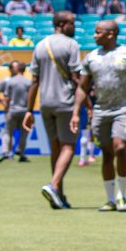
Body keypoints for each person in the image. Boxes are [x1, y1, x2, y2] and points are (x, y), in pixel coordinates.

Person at [72, 18, 126, 211]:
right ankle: (110, 199)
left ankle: (122, 196)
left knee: (120, 147)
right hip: (101, 110)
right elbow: (82, 87)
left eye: (98, 32)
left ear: (111, 34)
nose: (94, 35)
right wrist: (76, 112)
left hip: (124, 108)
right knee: (107, 153)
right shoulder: (91, 57)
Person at [25, 11, 82, 208]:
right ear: (62, 24)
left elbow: (34, 81)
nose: (74, 27)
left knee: (55, 148)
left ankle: (59, 195)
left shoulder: (40, 45)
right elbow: (76, 78)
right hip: (65, 102)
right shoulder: (71, 45)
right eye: (72, 23)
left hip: (45, 104)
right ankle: (54, 185)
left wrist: (29, 110)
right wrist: (87, 103)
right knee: (68, 147)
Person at [0, 60, 33, 162]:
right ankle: (21, 152)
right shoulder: (28, 82)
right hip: (24, 110)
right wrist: (30, 111)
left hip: (12, 110)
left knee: (8, 132)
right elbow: (30, 98)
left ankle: (5, 152)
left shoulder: (11, 81)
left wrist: (6, 108)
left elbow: (7, 97)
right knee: (24, 133)